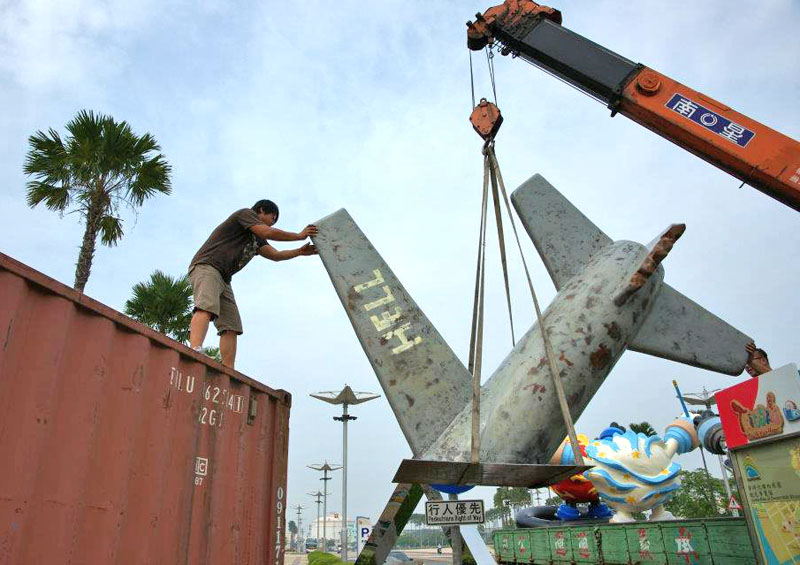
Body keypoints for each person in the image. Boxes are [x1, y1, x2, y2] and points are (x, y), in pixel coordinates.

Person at [188, 199, 318, 368]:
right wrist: (299, 236)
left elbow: (275, 255)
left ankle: (228, 370)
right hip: (208, 266)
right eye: (273, 217)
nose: (273, 222)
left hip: (224, 278)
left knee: (231, 325)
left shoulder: (257, 239)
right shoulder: (245, 214)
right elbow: (268, 232)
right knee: (206, 306)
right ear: (261, 210)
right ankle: (194, 350)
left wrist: (299, 252)